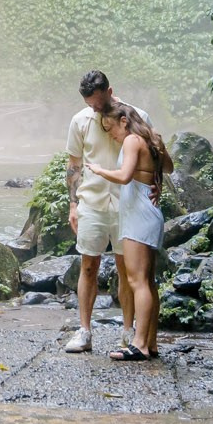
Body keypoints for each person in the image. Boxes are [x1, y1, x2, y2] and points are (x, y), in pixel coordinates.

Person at [84, 99, 174, 360]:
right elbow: (168, 167)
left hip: (138, 215)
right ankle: (151, 343)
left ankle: (139, 345)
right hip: (150, 212)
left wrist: (100, 170)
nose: (110, 134)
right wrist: (153, 178)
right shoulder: (152, 137)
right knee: (148, 282)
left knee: (137, 281)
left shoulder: (132, 140)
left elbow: (124, 176)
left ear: (124, 120)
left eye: (110, 127)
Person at [62, 69, 142, 354]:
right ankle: (84, 331)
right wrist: (73, 204)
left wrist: (156, 186)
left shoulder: (135, 116)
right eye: (90, 105)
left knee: (126, 269)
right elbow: (74, 164)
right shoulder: (80, 121)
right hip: (92, 203)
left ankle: (128, 331)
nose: (95, 110)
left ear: (110, 91)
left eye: (98, 103)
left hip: (127, 204)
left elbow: (153, 153)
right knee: (88, 266)